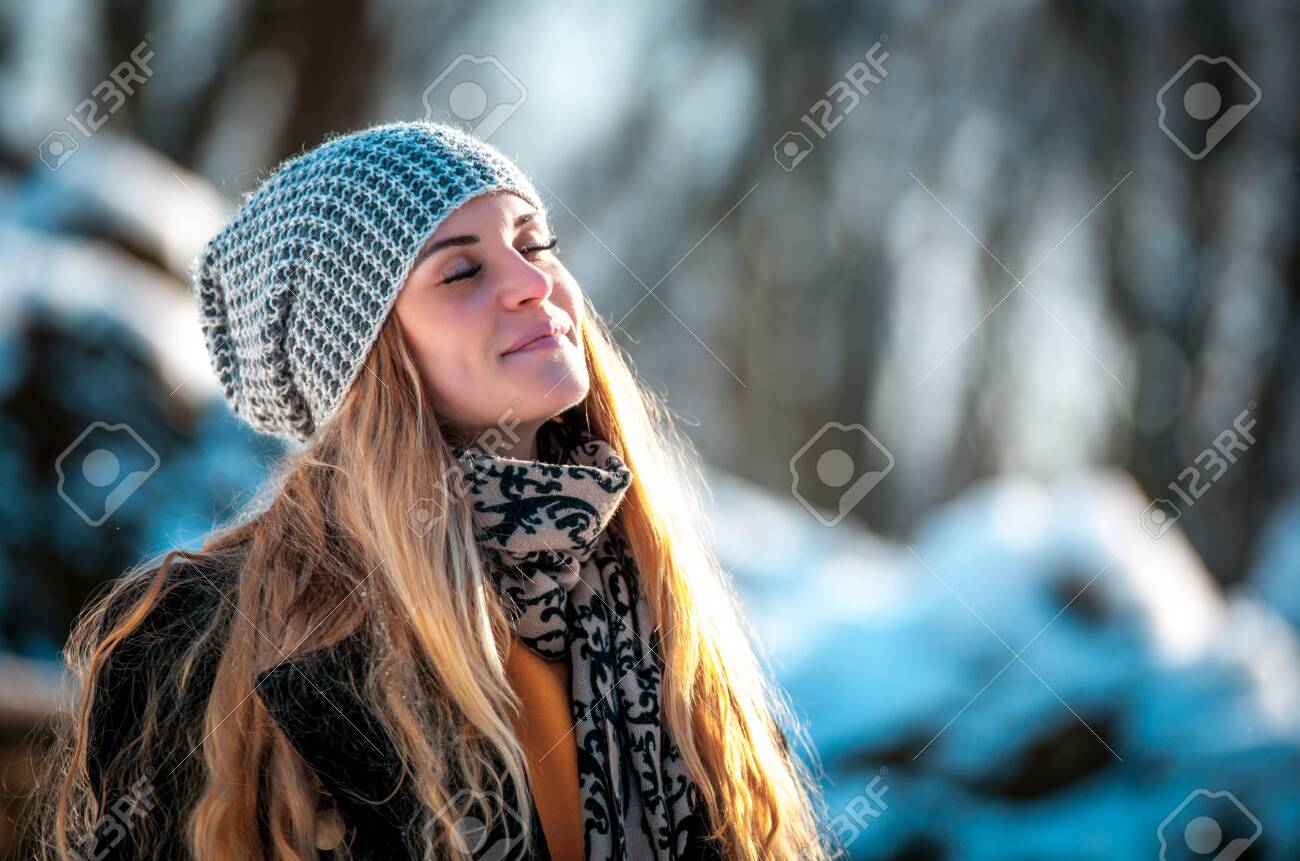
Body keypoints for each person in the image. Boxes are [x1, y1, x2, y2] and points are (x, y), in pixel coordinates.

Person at [34, 121, 833, 860]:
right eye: (461, 270)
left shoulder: (659, 604)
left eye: (535, 243)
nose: (533, 283)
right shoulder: (202, 645)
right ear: (363, 359)